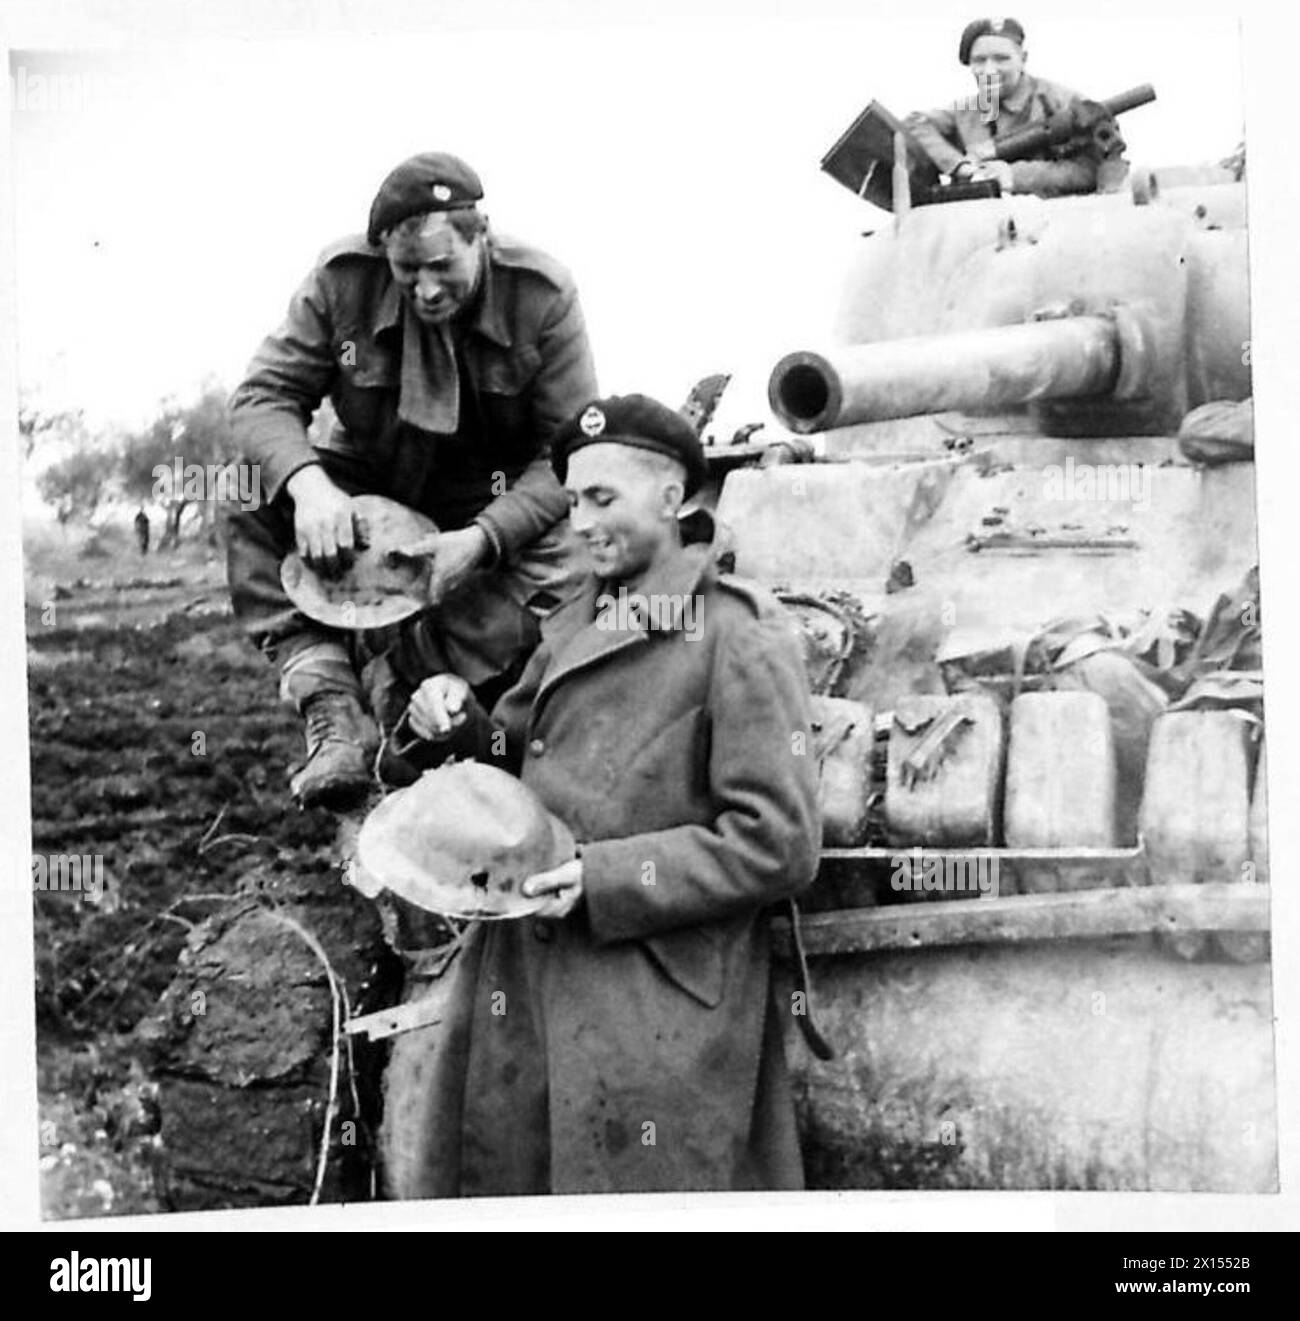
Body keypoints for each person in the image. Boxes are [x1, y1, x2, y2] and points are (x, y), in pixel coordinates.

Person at [399, 394, 822, 1195]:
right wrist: (455, 721)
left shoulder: (737, 631)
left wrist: (606, 876)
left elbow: (779, 841)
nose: (581, 523)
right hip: (526, 988)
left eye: (604, 499)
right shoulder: (573, 620)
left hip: (654, 1001)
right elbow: (514, 752)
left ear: (673, 497)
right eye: (572, 502)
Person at [226, 151, 597, 808]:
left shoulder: (542, 297)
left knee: (577, 567)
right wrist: (311, 486)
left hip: (490, 499)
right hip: (373, 484)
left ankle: (477, 715)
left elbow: (570, 455)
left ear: (480, 237)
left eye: (442, 267)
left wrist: (483, 539)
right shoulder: (341, 281)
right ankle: (331, 706)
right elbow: (262, 398)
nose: (425, 289)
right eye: (406, 271)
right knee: (250, 484)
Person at [903, 17, 1122, 198]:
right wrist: (959, 166)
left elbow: (1094, 169)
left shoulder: (1063, 103)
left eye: (1001, 59)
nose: (989, 70)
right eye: (979, 61)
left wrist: (1015, 176)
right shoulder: (967, 111)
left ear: (1023, 58)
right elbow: (915, 123)